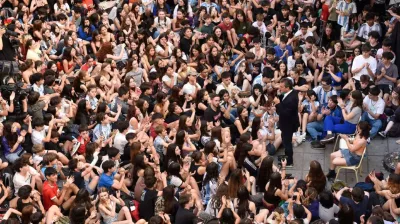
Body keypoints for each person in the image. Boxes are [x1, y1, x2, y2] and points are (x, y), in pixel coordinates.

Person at [273, 78, 299, 166]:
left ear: (287, 88)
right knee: (284, 139)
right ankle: (287, 156)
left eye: (281, 87)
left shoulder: (291, 99)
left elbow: (284, 112)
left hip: (288, 124)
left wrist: (277, 104)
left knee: (287, 142)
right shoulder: (292, 93)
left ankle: (289, 161)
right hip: (286, 123)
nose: (279, 88)